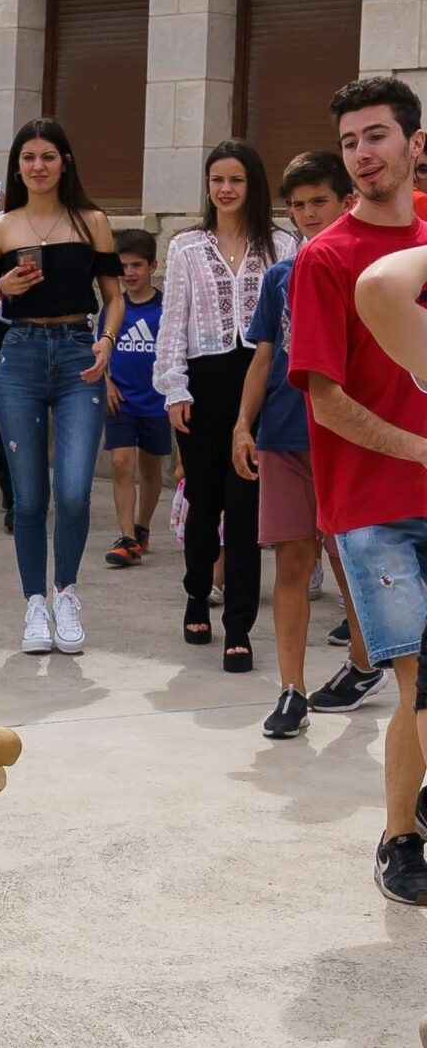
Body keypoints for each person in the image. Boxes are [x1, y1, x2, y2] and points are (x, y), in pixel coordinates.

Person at [299, 77, 427, 902]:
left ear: (416, 142)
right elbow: (325, 399)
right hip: (372, 506)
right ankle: (402, 834)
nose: (363, 154)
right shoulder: (325, 257)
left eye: (376, 136)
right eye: (350, 142)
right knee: (418, 676)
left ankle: (401, 828)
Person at [0, 118, 122, 657]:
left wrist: (107, 341)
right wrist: (3, 286)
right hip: (21, 356)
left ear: (65, 162)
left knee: (75, 491)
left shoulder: (92, 221)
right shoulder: (1, 227)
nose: (37, 166)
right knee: (29, 497)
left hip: (81, 352)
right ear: (17, 165)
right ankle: (34, 602)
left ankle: (66, 592)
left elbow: (114, 296)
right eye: (28, 157)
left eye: (48, 156)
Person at [245, 153, 381, 718]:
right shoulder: (280, 277)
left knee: (351, 560)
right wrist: (240, 424)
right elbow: (264, 357)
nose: (306, 214)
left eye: (317, 201)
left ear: (347, 200)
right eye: (296, 205)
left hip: (345, 441)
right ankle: (291, 689)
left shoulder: (371, 273)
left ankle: (365, 661)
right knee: (291, 563)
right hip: (282, 435)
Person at [157, 140, 295, 672]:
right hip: (203, 385)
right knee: (203, 501)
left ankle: (239, 625)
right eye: (217, 179)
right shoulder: (187, 245)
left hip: (261, 384)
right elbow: (174, 320)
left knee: (246, 509)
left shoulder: (281, 244)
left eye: (236, 179)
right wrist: (173, 387)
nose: (226, 189)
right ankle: (197, 596)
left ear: (252, 185)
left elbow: (290, 322)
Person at [102, 230, 172, 570]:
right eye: (123, 266)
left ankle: (142, 527)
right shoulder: (113, 308)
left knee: (150, 466)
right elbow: (98, 350)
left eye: (137, 265)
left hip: (156, 402)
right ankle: (126, 537)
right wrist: (106, 383)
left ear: (152, 266)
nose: (129, 273)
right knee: (121, 463)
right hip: (121, 401)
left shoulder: (166, 309)